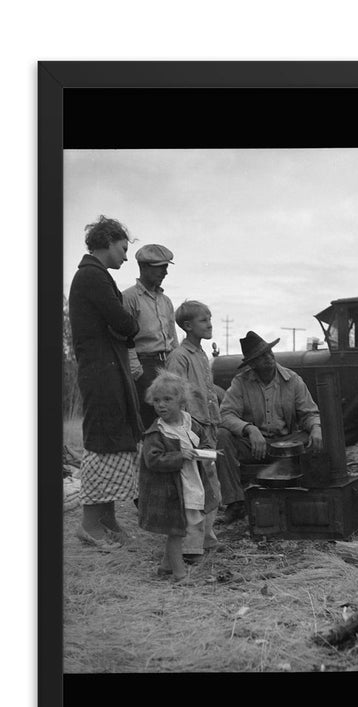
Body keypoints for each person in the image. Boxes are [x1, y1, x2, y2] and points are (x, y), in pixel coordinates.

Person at [68, 215, 143, 545]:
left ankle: (107, 518)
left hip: (108, 368)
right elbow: (126, 325)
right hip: (101, 372)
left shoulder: (96, 277)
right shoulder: (92, 278)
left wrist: (123, 327)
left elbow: (122, 327)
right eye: (123, 248)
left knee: (115, 436)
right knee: (102, 440)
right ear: (107, 242)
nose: (126, 257)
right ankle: (89, 523)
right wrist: (126, 325)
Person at [217, 331, 323, 522]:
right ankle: (235, 503)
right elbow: (225, 415)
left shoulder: (292, 380)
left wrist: (316, 427)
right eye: (261, 356)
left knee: (312, 436)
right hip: (254, 445)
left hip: (286, 445)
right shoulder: (240, 382)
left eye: (269, 352)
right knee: (222, 436)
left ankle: (308, 497)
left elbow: (309, 414)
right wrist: (250, 429)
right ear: (252, 363)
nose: (268, 358)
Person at [137, 371, 218, 581]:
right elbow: (153, 460)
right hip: (170, 490)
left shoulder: (190, 422)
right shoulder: (157, 433)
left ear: (181, 400)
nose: (161, 405)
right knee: (177, 530)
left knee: (183, 526)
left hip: (191, 483)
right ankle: (180, 574)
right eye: (156, 400)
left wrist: (209, 453)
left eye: (167, 399)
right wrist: (179, 456)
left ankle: (165, 567)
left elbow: (205, 441)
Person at [166, 301, 224, 561]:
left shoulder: (201, 354)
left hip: (208, 426)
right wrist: (187, 430)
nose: (210, 323)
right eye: (204, 319)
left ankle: (206, 539)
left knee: (210, 484)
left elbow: (206, 391)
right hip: (192, 430)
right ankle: (190, 548)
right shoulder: (180, 356)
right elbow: (175, 393)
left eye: (210, 317)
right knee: (194, 487)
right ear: (188, 326)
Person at [122, 243, 179, 428]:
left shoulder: (166, 301)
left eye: (166, 267)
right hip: (143, 365)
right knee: (148, 419)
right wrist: (136, 371)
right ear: (144, 267)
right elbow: (123, 337)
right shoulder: (129, 298)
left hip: (166, 366)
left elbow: (173, 337)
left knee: (171, 419)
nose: (165, 273)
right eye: (161, 268)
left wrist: (176, 366)